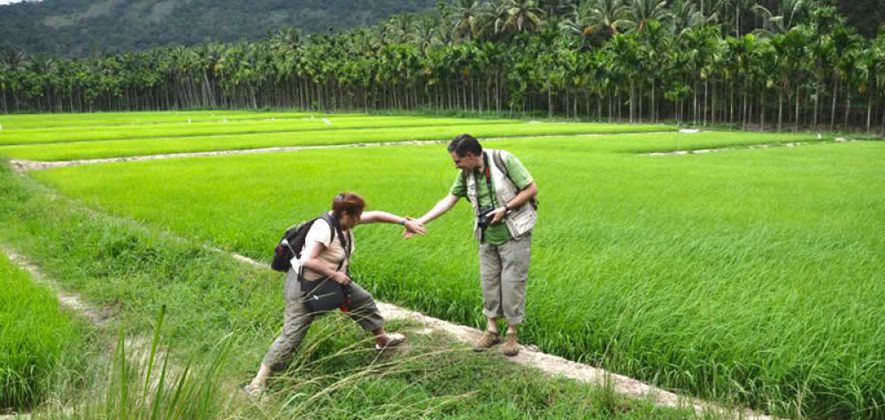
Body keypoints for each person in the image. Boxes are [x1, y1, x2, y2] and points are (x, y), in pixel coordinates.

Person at [245, 192, 426, 396]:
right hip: (304, 286)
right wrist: (335, 274)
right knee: (292, 335)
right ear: (347, 214)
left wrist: (404, 222)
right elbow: (307, 260)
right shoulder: (324, 228)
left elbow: (375, 216)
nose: (360, 219)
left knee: (363, 301)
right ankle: (257, 382)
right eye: (358, 216)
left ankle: (382, 340)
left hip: (329, 281)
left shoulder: (343, 220)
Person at [410, 134, 537, 356]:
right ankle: (491, 330)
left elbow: (531, 189)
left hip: (514, 232)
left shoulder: (503, 160)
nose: (455, 166)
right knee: (488, 281)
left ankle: (512, 335)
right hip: (486, 234)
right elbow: (448, 200)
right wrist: (419, 221)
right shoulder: (466, 174)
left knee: (512, 282)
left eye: (457, 161)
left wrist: (505, 209)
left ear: (469, 155)